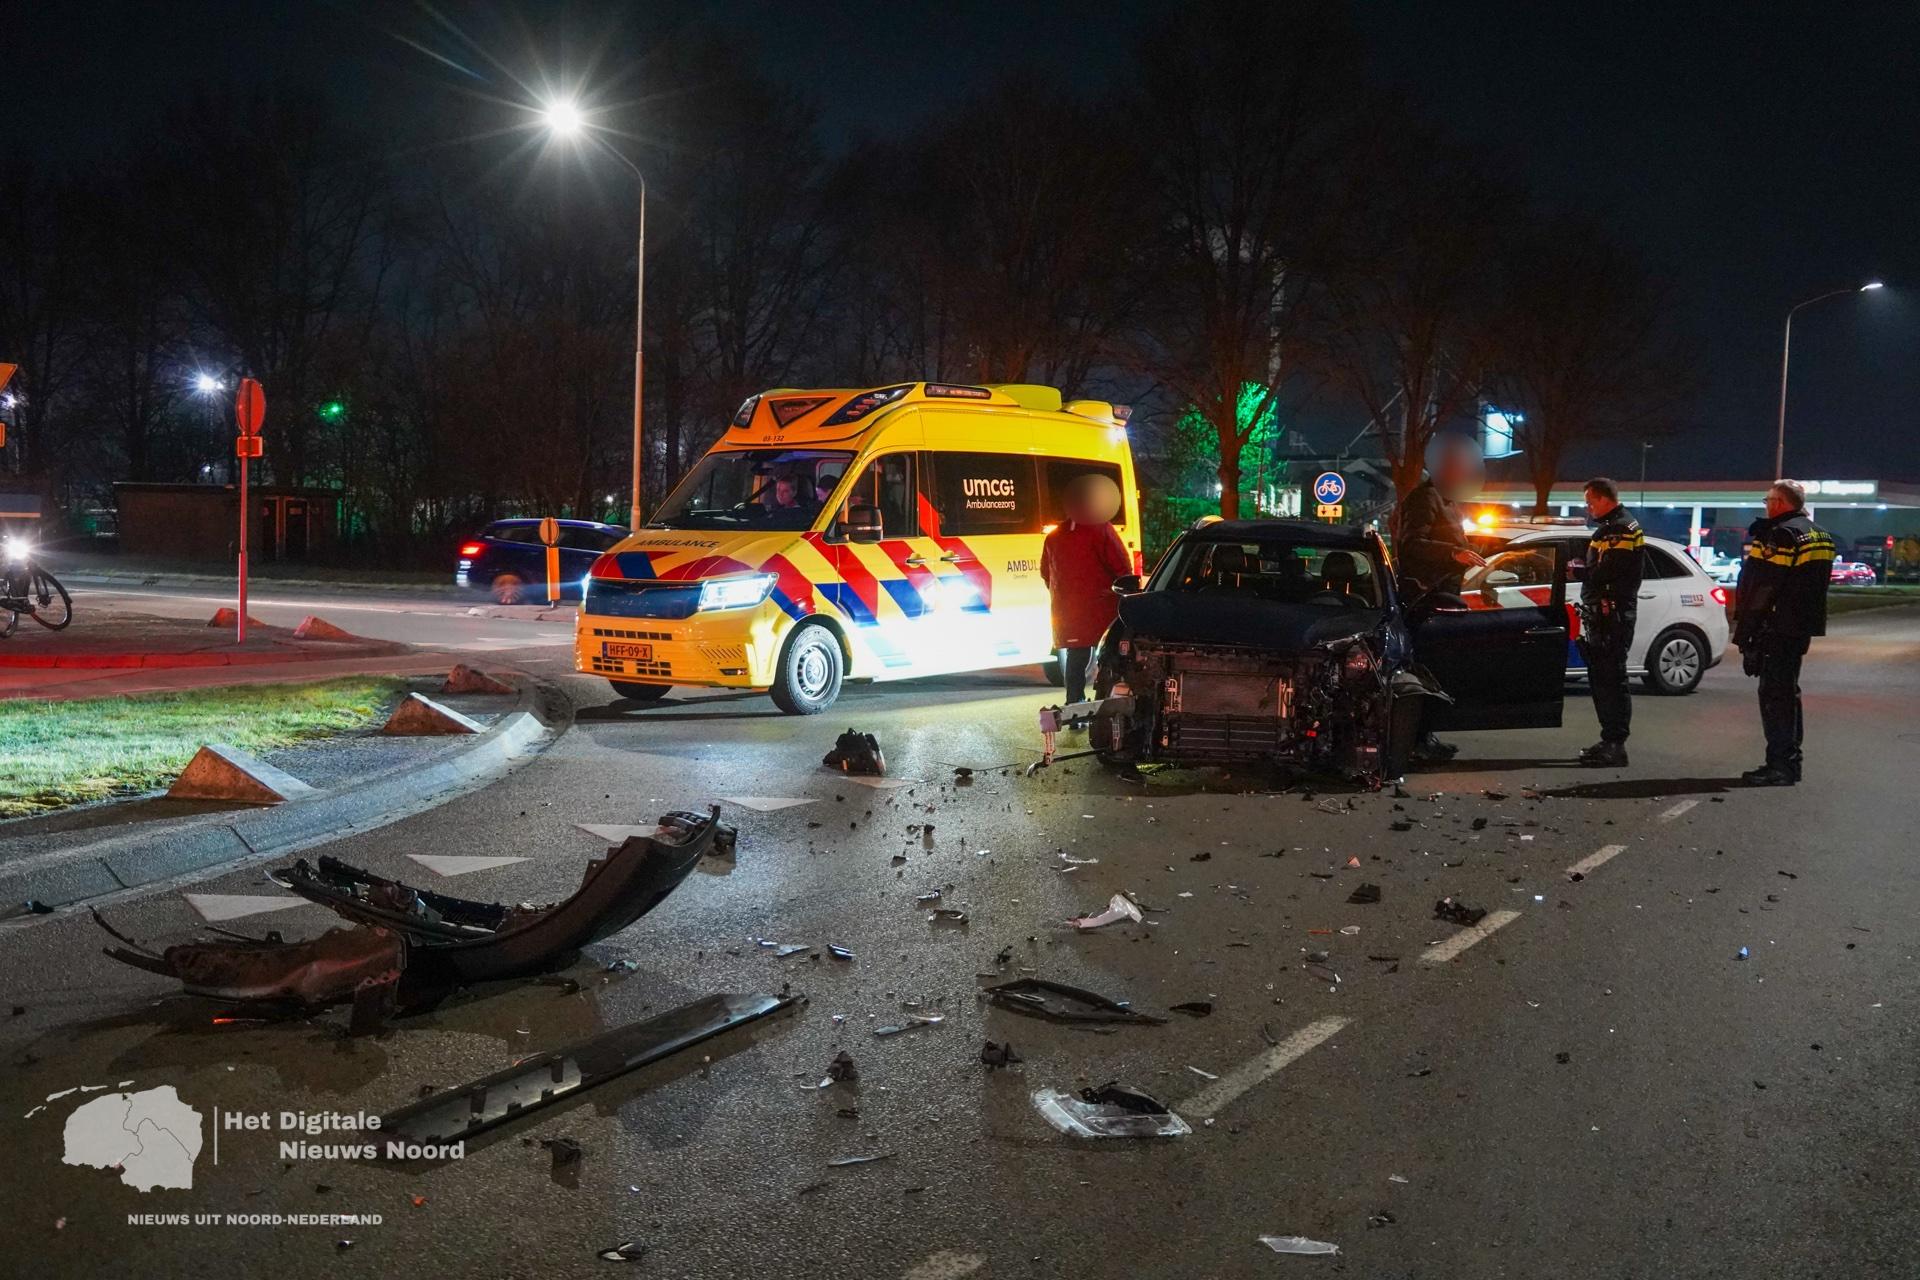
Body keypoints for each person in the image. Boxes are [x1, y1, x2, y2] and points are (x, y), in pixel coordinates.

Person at [1731, 479, 1835, 786]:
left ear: (1779, 503)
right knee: (1788, 692)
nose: (1766, 506)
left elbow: (1763, 588)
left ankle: (1780, 765)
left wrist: (1745, 633)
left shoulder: (1780, 535)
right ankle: (1790, 761)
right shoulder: (1820, 535)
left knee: (1775, 696)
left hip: (1776, 627)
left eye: (1768, 500)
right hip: (1800, 626)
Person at [1391, 435, 1487, 762]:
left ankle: (1425, 736)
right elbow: (1411, 545)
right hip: (1425, 602)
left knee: (1436, 672)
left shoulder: (1447, 500)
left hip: (1444, 599)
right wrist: (1455, 553)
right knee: (1424, 671)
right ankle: (1416, 740)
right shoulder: (1425, 498)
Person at [1041, 473, 1130, 705]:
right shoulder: (1101, 529)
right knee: (1110, 653)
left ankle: (1074, 702)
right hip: (1102, 607)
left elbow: (1045, 573)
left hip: (1068, 610)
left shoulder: (1054, 536)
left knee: (1076, 656)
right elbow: (1122, 567)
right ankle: (1107, 700)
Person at [1576, 477, 1644, 768]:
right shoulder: (1608, 529)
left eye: (1591, 500)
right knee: (1602, 679)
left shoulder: (1622, 529)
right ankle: (1608, 740)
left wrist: (1581, 571)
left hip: (1613, 614)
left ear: (1605, 498)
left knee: (1612, 679)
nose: (1588, 506)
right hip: (1603, 614)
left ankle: (1616, 744)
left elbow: (1608, 572)